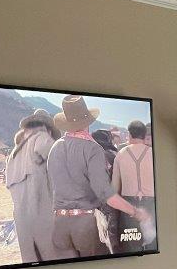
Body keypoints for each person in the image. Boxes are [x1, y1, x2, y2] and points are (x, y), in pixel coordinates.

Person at [46, 95, 150, 259]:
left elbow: (50, 186)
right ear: (88, 121)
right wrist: (135, 212)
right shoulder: (92, 149)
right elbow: (105, 194)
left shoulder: (55, 147)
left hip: (59, 224)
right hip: (85, 225)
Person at [5, 109, 60, 262]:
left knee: (31, 264)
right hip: (43, 215)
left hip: (22, 220)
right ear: (47, 128)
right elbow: (59, 159)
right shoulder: (41, 137)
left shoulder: (14, 153)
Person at [111, 120, 155, 252]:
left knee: (131, 250)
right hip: (152, 204)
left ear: (129, 135)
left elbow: (114, 188)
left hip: (129, 206)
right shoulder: (154, 153)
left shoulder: (120, 154)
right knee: (154, 247)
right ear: (144, 135)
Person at [91, 129, 121, 249]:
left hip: (107, 203)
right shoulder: (115, 153)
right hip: (118, 199)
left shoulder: (103, 155)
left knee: (110, 237)